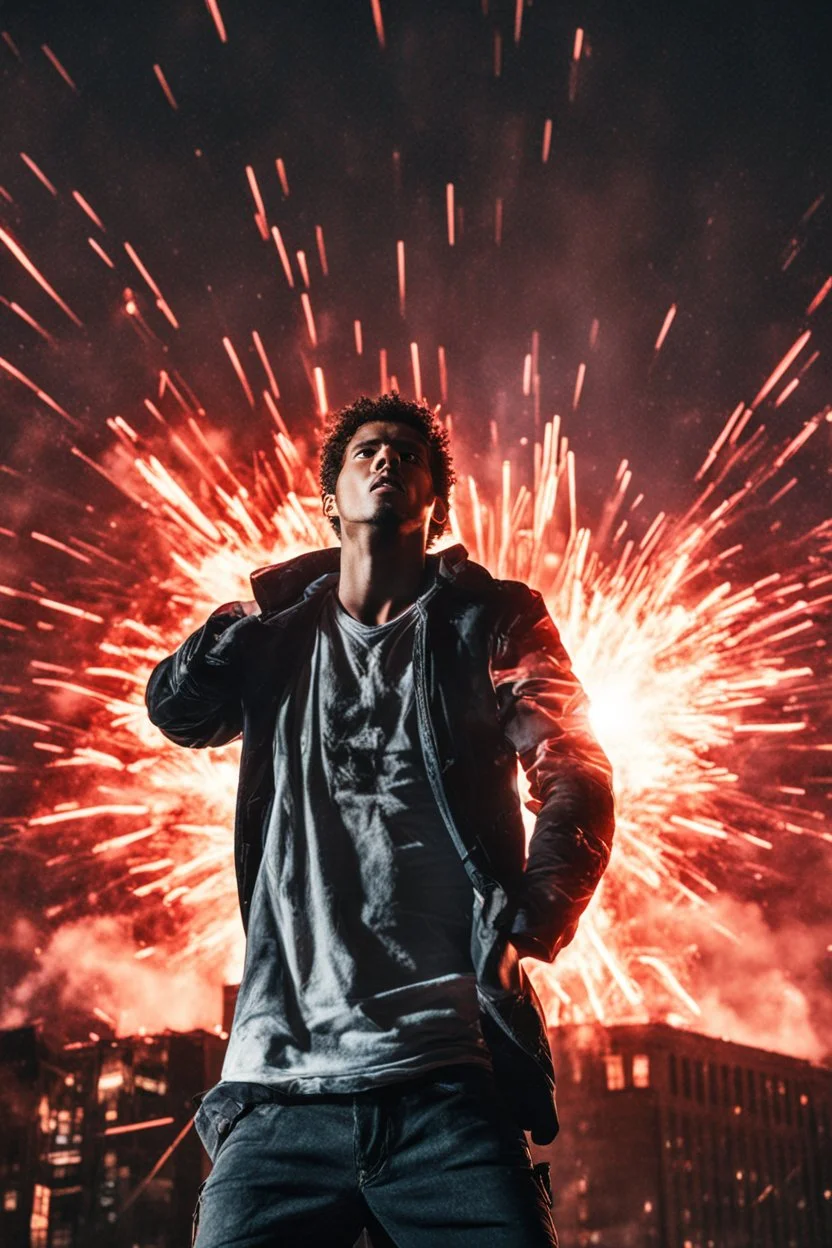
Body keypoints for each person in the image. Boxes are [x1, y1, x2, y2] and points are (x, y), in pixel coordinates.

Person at [146, 392, 614, 1247]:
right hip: (275, 1097)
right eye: (366, 451)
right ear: (331, 498)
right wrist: (236, 624)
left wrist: (528, 930)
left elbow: (576, 769)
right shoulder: (276, 635)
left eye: (408, 453)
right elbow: (176, 711)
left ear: (435, 502)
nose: (387, 460)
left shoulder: (492, 623)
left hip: (446, 1090)